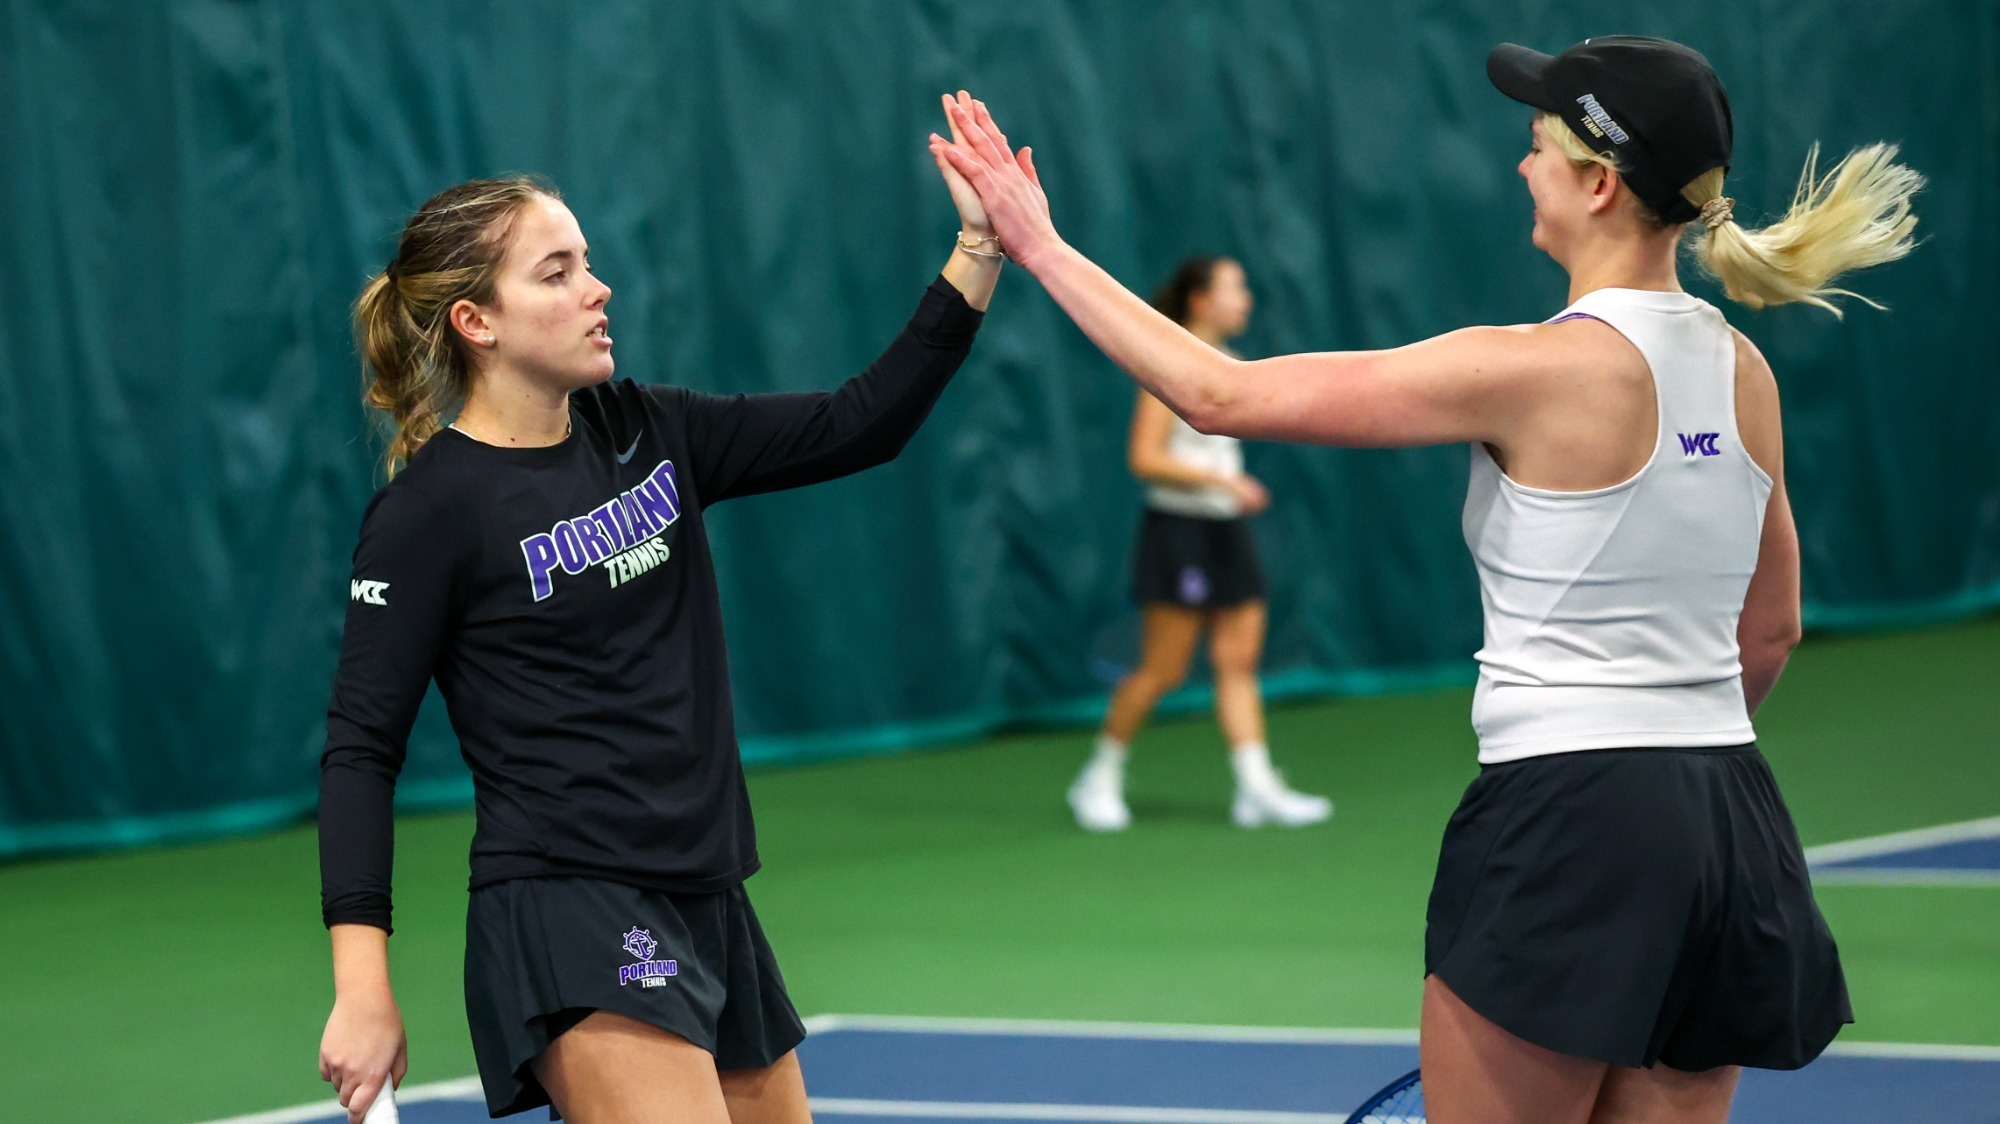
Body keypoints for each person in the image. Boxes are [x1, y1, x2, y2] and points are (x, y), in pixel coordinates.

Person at [929, 30, 1920, 1123]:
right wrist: (1667, 773)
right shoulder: (1745, 370)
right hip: (1730, 823)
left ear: (1596, 185)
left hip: (1569, 817)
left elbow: (1221, 397)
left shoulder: (1529, 367)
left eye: (1537, 145)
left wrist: (1036, 243)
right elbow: (1768, 632)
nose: (1518, 165)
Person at [317, 105, 1000, 1124]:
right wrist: (362, 985)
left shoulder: (650, 428)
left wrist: (981, 246)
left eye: (585, 260)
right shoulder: (427, 513)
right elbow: (360, 748)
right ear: (476, 321)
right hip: (566, 899)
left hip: (707, 889)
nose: (596, 289)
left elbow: (865, 421)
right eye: (555, 272)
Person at [1068, 256, 1332, 831]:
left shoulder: (1230, 363)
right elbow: (1144, 458)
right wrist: (1223, 481)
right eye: (1234, 288)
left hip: (1225, 530)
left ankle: (1256, 787)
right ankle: (1099, 776)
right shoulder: (1168, 364)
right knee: (1162, 669)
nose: (1246, 299)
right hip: (1178, 532)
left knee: (1238, 662)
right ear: (1199, 300)